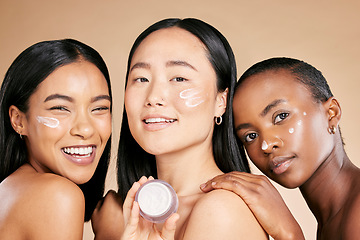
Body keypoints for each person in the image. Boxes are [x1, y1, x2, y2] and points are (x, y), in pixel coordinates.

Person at [93, 18, 267, 239]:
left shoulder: (222, 210)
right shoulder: (122, 211)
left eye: (179, 78)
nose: (154, 97)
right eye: (141, 78)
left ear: (220, 101)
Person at [201, 57, 360, 239]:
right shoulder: (333, 218)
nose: (266, 145)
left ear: (331, 113)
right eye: (250, 136)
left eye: (281, 116)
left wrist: (288, 233)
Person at [0, 39, 112, 239]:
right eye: (60, 108)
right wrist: (109, 234)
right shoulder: (57, 195)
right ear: (18, 120)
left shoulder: (9, 190)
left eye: (99, 108)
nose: (85, 129)